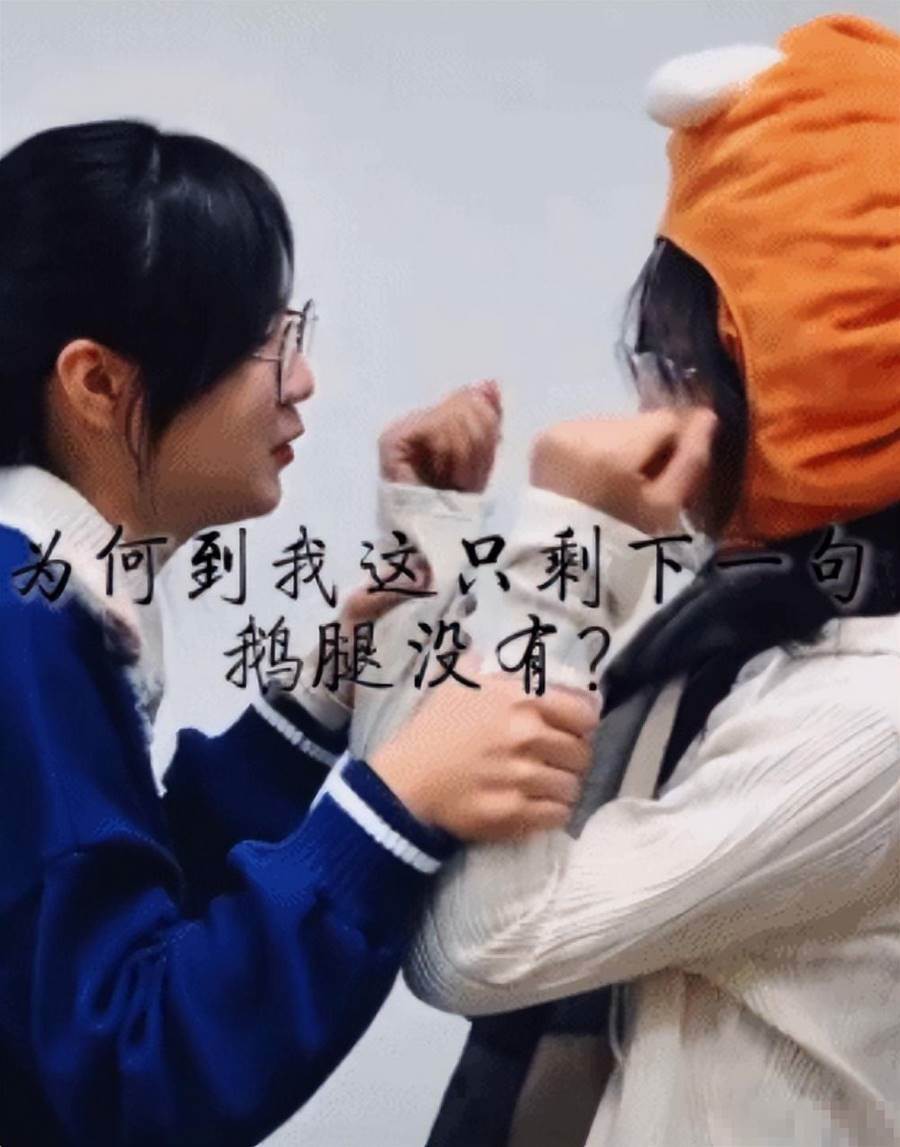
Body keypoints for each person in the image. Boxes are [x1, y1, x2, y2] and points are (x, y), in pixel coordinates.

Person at [350, 14, 900, 1146]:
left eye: (679, 360)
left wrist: (571, 533)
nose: (650, 400)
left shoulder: (868, 710)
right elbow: (427, 805)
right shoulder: (730, 617)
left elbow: (478, 947)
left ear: (799, 376)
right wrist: (433, 546)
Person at [0, 120, 598, 1147]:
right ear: (97, 382)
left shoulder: (44, 605)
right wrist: (396, 806)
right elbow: (136, 1069)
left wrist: (325, 689)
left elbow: (101, 906)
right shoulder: (24, 632)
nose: (301, 378)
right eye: (258, 343)